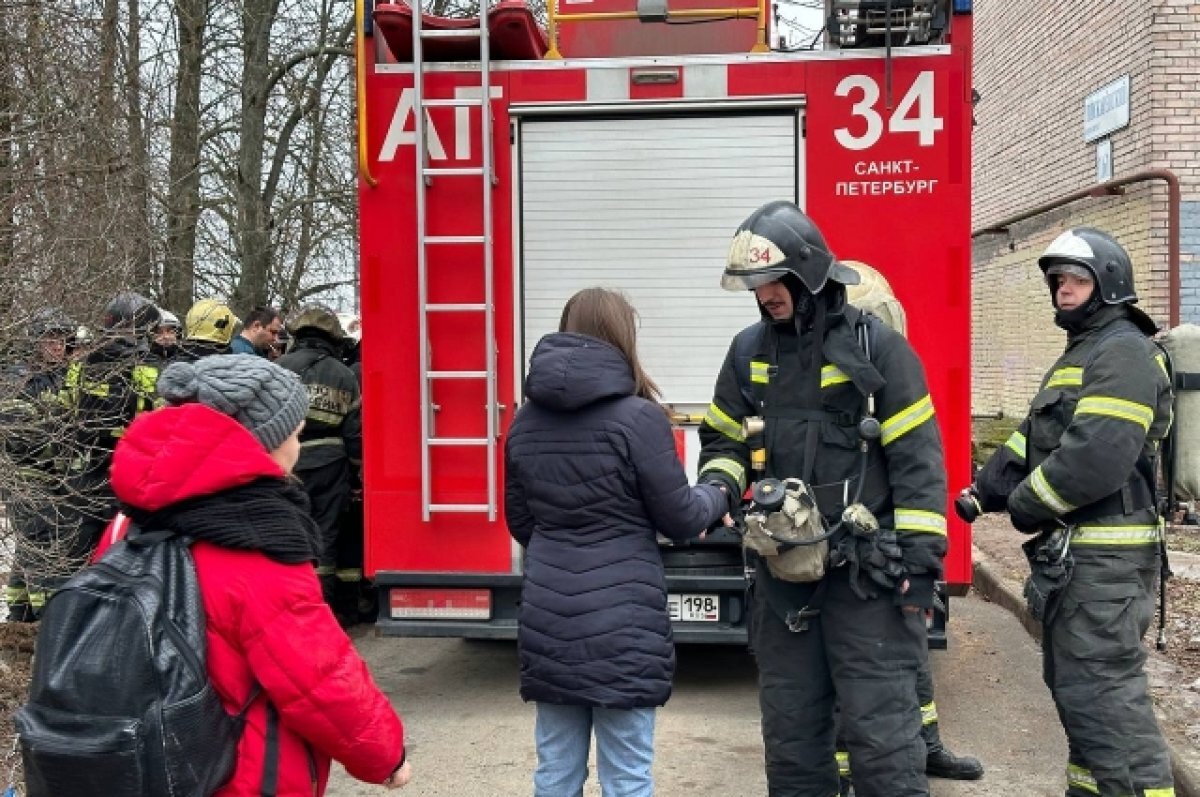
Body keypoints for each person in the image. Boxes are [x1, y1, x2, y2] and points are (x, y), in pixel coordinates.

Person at [698, 201, 946, 797]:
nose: (763, 296)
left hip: (867, 576)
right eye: (754, 286)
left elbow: (918, 460)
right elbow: (724, 438)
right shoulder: (748, 352)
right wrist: (719, 486)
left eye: (771, 281)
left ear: (808, 273)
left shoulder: (880, 350)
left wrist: (920, 565)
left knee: (883, 734)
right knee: (791, 732)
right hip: (784, 574)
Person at [103, 354, 410, 794]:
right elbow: (317, 678)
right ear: (264, 443)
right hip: (233, 772)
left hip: (141, 764)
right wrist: (385, 755)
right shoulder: (256, 542)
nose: (299, 448)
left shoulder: (124, 525)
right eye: (296, 434)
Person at [964, 228, 1173, 797]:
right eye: (1057, 281)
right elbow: (1034, 438)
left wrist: (1026, 505)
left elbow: (1096, 456)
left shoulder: (1125, 350)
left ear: (1109, 284)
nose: (1063, 290)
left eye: (1076, 279)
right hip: (1079, 560)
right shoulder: (1081, 353)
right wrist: (985, 490)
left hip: (1107, 558)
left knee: (1106, 697)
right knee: (1078, 693)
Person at [504, 287, 730, 797]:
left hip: (550, 620)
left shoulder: (524, 422)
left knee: (555, 775)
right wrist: (721, 491)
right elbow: (680, 517)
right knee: (627, 778)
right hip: (623, 624)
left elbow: (521, 522)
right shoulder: (638, 419)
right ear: (621, 338)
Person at [834, 260, 982, 788]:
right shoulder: (834, 390)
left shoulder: (891, 374)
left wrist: (920, 554)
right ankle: (848, 765)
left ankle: (927, 747)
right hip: (853, 549)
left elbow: (917, 462)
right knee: (858, 670)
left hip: (896, 537)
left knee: (910, 655)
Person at [57, 292, 162, 587]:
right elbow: (160, 417)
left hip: (82, 471)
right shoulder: (147, 366)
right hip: (129, 474)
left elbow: (64, 412)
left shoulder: (80, 364)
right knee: (123, 555)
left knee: (76, 554)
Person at [276, 305, 363, 618]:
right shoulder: (344, 374)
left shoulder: (280, 368)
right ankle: (322, 612)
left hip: (287, 464)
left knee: (290, 533)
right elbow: (354, 431)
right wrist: (355, 472)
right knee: (325, 537)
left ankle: (290, 607)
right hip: (331, 465)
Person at [2, 307, 76, 620]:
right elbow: (20, 435)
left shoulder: (66, 376)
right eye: (49, 339)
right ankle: (47, 621)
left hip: (55, 479)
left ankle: (18, 617)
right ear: (35, 342)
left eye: (61, 339)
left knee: (31, 547)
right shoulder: (19, 378)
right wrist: (59, 443)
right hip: (25, 478)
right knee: (41, 549)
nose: (56, 346)